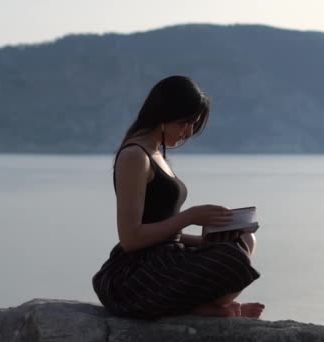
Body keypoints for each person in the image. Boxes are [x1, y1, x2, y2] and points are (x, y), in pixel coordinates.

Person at [92, 75, 263, 319]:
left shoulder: (156, 152)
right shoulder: (135, 156)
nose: (189, 132)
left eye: (194, 124)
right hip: (137, 273)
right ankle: (200, 309)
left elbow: (164, 231)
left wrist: (205, 241)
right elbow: (131, 238)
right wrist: (190, 216)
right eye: (185, 123)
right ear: (164, 115)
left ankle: (200, 307)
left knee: (245, 238)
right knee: (232, 259)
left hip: (169, 258)